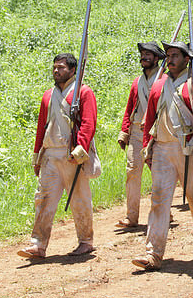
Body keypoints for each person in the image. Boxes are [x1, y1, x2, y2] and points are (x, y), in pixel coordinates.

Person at [131, 41, 193, 271]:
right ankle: (153, 253)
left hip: (187, 147)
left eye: (175, 55)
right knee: (158, 200)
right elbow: (150, 119)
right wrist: (148, 147)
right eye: (168, 55)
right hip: (162, 148)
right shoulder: (159, 86)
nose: (170, 59)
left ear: (186, 59)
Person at [18, 53, 97, 259]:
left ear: (72, 71)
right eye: (55, 67)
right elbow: (41, 127)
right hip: (50, 154)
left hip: (71, 153)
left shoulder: (83, 92)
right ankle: (38, 244)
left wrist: (80, 149)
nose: (56, 71)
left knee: (80, 199)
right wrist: (37, 156)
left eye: (61, 67)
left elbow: (88, 123)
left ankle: (86, 241)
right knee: (43, 200)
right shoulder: (48, 95)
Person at [116, 42, 165, 228]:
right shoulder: (137, 82)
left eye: (149, 54)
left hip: (156, 133)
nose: (144, 57)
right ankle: (132, 216)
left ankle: (163, 211)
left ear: (156, 59)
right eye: (143, 54)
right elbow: (130, 108)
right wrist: (124, 131)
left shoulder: (164, 81)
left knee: (158, 175)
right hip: (136, 132)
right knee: (132, 173)